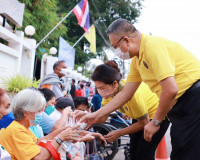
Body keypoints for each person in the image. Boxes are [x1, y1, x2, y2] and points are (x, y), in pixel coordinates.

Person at [78, 18, 200, 160]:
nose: (116, 51)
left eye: (115, 46)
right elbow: (125, 94)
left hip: (192, 97)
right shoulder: (137, 61)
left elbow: (171, 90)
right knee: (181, 149)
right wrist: (95, 115)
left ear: (126, 40)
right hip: (178, 105)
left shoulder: (152, 47)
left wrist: (155, 121)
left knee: (185, 153)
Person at [76, 60, 169, 160]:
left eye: (102, 87)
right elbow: (103, 117)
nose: (100, 91)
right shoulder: (108, 93)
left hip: (157, 116)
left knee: (143, 154)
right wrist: (88, 118)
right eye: (98, 88)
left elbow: (144, 122)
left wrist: (119, 133)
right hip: (140, 118)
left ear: (114, 84)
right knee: (133, 153)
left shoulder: (132, 95)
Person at [0, 88, 81, 160]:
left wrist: (61, 131)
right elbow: (39, 157)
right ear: (26, 112)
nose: (41, 114)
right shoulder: (16, 130)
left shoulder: (21, 127)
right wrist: (61, 138)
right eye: (38, 111)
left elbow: (38, 142)